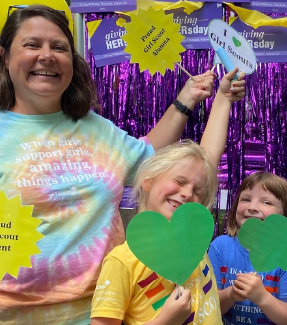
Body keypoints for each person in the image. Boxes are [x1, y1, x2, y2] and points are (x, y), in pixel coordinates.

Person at [0, 4, 242, 325]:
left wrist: (187, 99)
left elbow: (153, 158)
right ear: (5, 56)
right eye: (32, 44)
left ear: (71, 63)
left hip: (103, 314)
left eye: (59, 47)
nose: (47, 55)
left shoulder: (98, 131)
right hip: (1, 318)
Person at [90, 68, 246, 325]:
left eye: (198, 191)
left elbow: (208, 158)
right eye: (179, 181)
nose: (187, 194)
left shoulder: (193, 241)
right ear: (148, 181)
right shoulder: (122, 261)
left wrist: (223, 99)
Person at [208, 172, 287, 325]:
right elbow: (209, 307)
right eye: (245, 199)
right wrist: (232, 293)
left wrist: (261, 297)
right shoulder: (220, 247)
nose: (252, 207)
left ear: (284, 215)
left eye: (266, 202)